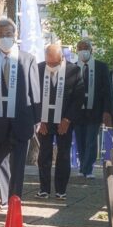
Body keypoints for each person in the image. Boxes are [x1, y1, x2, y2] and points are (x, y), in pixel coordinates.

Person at [0, 17, 40, 207]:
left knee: (19, 162)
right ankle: (4, 196)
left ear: (15, 35)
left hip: (22, 119)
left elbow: (35, 91)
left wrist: (38, 119)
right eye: (1, 34)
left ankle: (15, 197)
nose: (5, 37)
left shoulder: (27, 59)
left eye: (9, 34)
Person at [35, 43, 83, 201]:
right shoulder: (39, 69)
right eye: (49, 63)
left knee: (63, 155)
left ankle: (61, 190)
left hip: (64, 121)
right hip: (44, 120)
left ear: (62, 58)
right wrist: (39, 120)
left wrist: (67, 120)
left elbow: (78, 98)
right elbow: (33, 96)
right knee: (44, 155)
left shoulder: (73, 70)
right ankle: (44, 189)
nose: (52, 66)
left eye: (55, 63)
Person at [73, 38, 112, 179]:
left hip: (95, 110)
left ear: (91, 50)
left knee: (91, 140)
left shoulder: (101, 67)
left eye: (86, 47)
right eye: (80, 48)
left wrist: (107, 111)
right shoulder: (73, 67)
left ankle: (87, 169)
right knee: (81, 140)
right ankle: (82, 165)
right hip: (78, 112)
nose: (83, 50)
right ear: (77, 51)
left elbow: (107, 91)